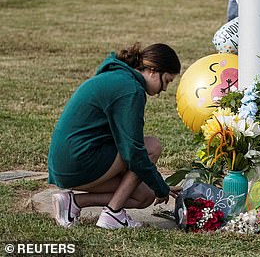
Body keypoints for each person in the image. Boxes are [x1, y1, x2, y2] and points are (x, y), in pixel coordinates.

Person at [48, 43, 181, 229]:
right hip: (78, 161)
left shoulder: (119, 77)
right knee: (152, 147)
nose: (164, 89)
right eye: (166, 80)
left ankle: (73, 203)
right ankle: (112, 214)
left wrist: (158, 187)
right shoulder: (130, 89)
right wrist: (161, 186)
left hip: (67, 164)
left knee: (145, 196)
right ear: (152, 70)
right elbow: (133, 152)